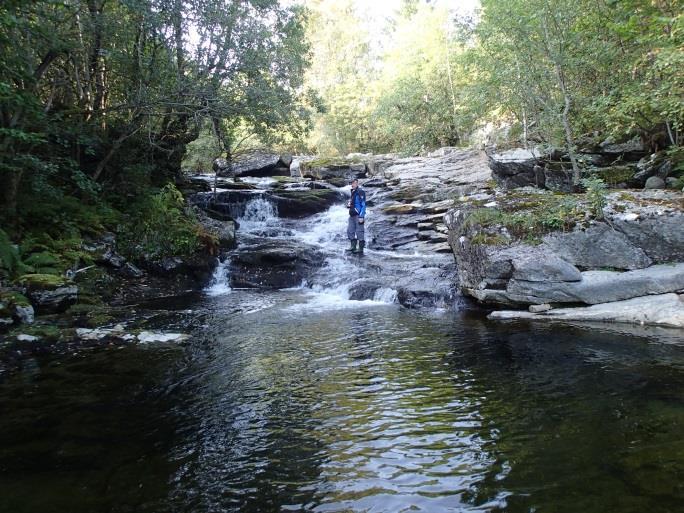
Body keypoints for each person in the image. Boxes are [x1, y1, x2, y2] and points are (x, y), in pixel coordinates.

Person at [346, 178, 366, 254]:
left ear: (357, 183)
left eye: (353, 183)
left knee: (359, 232)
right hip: (351, 215)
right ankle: (353, 247)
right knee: (350, 230)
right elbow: (353, 203)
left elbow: (363, 205)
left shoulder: (360, 192)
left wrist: (361, 216)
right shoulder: (353, 192)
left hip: (358, 215)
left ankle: (360, 248)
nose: (352, 185)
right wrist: (349, 205)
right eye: (351, 183)